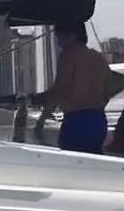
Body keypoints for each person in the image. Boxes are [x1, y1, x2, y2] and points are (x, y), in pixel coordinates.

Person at [36, 20, 113, 154]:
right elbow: (107, 92)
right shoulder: (99, 58)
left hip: (76, 120)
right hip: (98, 120)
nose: (59, 42)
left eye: (60, 37)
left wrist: (41, 121)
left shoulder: (68, 56)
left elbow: (60, 89)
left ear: (72, 35)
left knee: (73, 165)